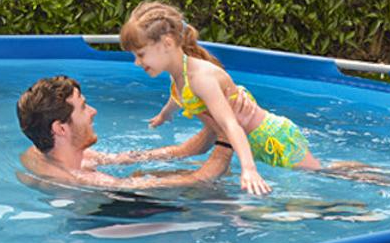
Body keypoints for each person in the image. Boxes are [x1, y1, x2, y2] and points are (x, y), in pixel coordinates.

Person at [106, 0, 390, 191]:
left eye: (140, 54)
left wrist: (248, 169)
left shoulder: (201, 78)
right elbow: (178, 96)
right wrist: (165, 115)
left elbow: (231, 124)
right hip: (257, 141)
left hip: (274, 138)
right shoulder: (179, 73)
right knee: (322, 170)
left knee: (324, 174)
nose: (137, 63)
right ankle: (381, 172)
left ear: (167, 43)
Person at [16, 75, 232, 189]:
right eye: (83, 107)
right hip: (111, 216)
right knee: (202, 191)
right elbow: (202, 178)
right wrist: (228, 135)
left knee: (145, 172)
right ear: (60, 128)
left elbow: (178, 151)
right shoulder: (83, 180)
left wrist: (214, 123)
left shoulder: (44, 151)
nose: (93, 111)